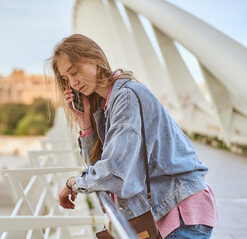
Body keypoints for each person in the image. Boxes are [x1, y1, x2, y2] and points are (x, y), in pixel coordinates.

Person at [48, 34, 218, 239]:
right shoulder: (106, 107)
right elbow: (96, 168)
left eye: (74, 72)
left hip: (180, 212)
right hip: (164, 213)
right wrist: (85, 123)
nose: (73, 83)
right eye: (67, 79)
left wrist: (72, 184)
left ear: (94, 58)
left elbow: (113, 172)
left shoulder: (126, 97)